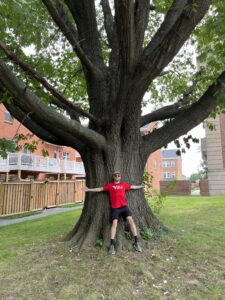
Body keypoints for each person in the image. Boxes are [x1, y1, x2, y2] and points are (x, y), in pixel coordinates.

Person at [84, 171, 144, 255]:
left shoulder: (123, 185)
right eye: (115, 175)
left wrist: (140, 186)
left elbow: (132, 187)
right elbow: (100, 189)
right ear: (113, 177)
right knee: (114, 224)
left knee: (131, 221)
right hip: (115, 208)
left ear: (120, 177)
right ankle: (112, 245)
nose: (117, 176)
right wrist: (89, 189)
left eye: (119, 175)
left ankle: (136, 242)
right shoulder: (110, 186)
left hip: (124, 207)